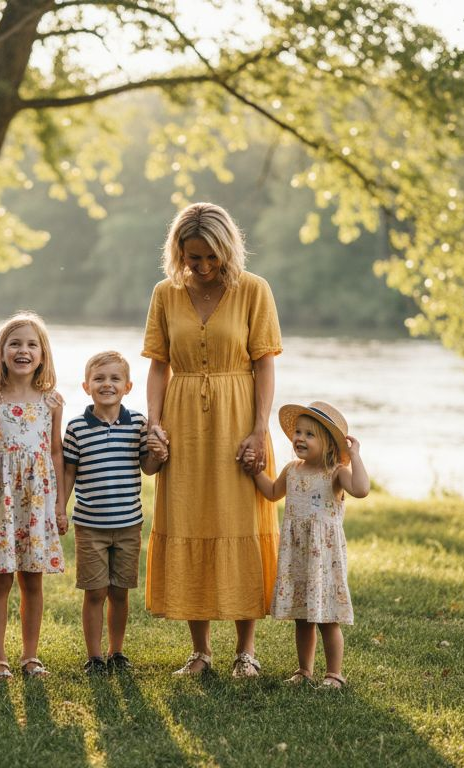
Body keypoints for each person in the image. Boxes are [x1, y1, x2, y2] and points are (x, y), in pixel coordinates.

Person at [141, 202, 283, 678]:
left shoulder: (254, 290)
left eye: (210, 258)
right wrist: (154, 424)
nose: (201, 267)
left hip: (240, 418)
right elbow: (159, 365)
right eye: (191, 257)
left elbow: (264, 363)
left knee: (241, 520)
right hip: (182, 422)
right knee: (189, 517)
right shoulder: (165, 293)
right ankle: (200, 651)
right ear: (177, 252)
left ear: (227, 250)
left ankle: (246, 650)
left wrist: (260, 429)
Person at [0, 311, 68, 679]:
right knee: (1, 579)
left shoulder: (51, 401)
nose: (23, 350)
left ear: (42, 354)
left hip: (36, 502)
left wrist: (58, 503)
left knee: (32, 578)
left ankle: (30, 656)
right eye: (15, 343)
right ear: (2, 351)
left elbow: (55, 452)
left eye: (31, 345)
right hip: (0, 500)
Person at [246, 401, 370, 689]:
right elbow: (272, 493)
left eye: (309, 434)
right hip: (298, 556)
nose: (300, 438)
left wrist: (355, 457)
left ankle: (334, 674)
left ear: (328, 444)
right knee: (302, 617)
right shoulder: (292, 470)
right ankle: (304, 671)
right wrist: (254, 471)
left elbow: (362, 489)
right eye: (298, 433)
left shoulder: (336, 472)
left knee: (327, 619)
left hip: (324, 559)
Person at [60, 351, 169, 674]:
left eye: (114, 379)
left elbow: (148, 467)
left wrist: (159, 456)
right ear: (86, 386)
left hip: (128, 525)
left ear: (128, 386)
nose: (107, 384)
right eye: (99, 379)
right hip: (90, 525)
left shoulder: (137, 424)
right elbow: (69, 473)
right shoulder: (77, 428)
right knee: (95, 591)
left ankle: (116, 651)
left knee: (120, 592)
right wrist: (59, 510)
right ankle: (94, 656)